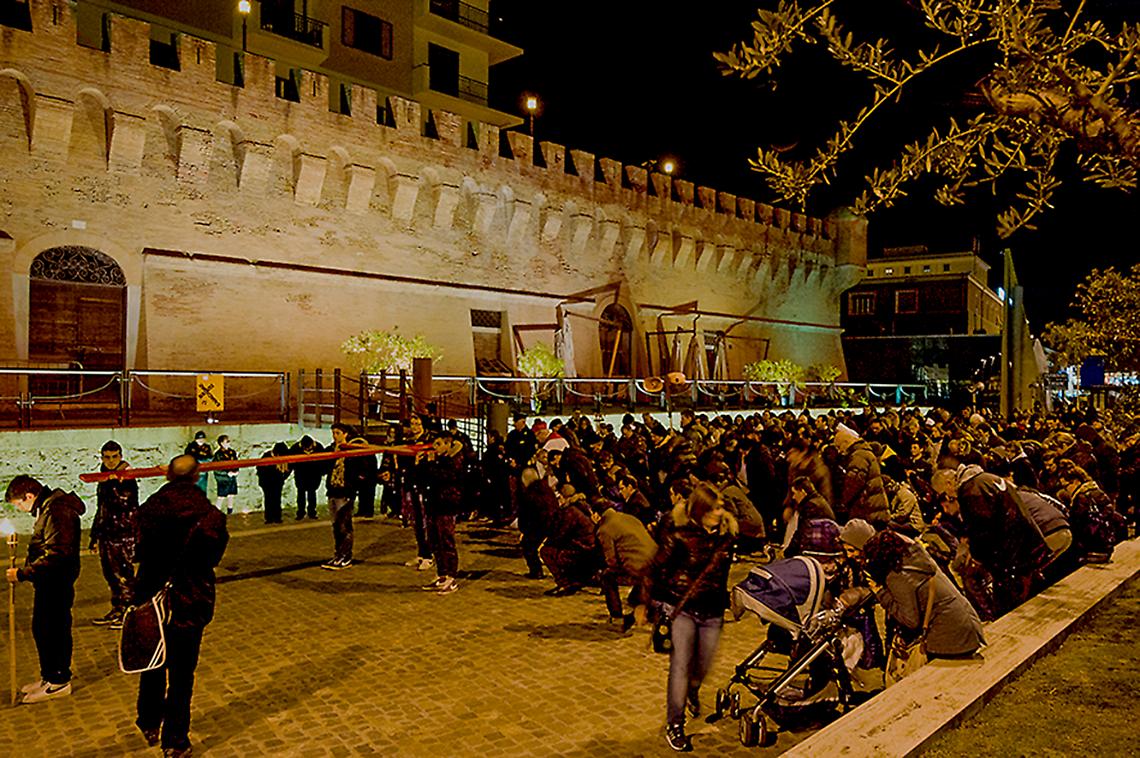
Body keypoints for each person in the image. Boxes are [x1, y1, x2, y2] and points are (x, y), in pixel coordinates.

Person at [134, 454, 229, 757]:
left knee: (153, 662)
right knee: (182, 674)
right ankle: (175, 740)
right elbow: (213, 557)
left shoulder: (149, 509)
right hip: (189, 598)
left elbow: (137, 549)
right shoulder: (210, 515)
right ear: (197, 476)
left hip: (152, 596)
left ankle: (149, 720)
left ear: (168, 476)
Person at [643, 483, 737, 752]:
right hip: (683, 610)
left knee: (702, 666)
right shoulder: (680, 536)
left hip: (713, 612)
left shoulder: (727, 536)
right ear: (700, 511)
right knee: (680, 668)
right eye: (713, 508)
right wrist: (645, 603)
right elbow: (655, 568)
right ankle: (675, 723)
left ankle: (692, 690)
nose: (719, 512)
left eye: (720, 507)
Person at [852, 529, 984, 679]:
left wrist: (880, 592)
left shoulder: (897, 576)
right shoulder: (917, 558)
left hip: (950, 637)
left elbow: (910, 620)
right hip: (967, 626)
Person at [5, 475, 85, 704]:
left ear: (29, 496)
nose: (21, 509)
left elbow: (59, 554)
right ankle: (48, 676)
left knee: (53, 630)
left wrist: (23, 573)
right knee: (43, 629)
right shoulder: (48, 508)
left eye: (19, 504)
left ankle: (58, 680)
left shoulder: (57, 511)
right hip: (49, 581)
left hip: (56, 581)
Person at [90, 440, 139, 628]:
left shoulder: (126, 477)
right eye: (107, 457)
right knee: (111, 575)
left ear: (120, 456)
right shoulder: (104, 477)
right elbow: (101, 508)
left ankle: (128, 612)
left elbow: (125, 503)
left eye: (114, 457)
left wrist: (113, 483)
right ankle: (118, 609)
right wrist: (94, 536)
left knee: (124, 576)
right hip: (107, 533)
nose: (111, 461)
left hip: (123, 534)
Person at [593, 496, 657, 631]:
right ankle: (638, 602)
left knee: (607, 576)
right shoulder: (630, 518)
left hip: (638, 567)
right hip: (655, 561)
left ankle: (616, 616)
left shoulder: (604, 529)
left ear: (596, 515)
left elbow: (611, 560)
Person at [420, 433, 464, 595]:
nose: (435, 448)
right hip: (433, 504)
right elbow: (425, 478)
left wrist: (432, 464)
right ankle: (442, 574)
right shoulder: (438, 461)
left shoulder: (455, 461)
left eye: (438, 444)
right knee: (435, 541)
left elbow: (445, 477)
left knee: (446, 541)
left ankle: (451, 577)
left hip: (446, 505)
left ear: (447, 444)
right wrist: (422, 465)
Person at [322, 423, 359, 570]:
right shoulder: (331, 449)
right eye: (333, 433)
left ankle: (346, 556)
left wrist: (353, 485)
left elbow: (357, 469)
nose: (335, 436)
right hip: (333, 490)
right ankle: (338, 554)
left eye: (338, 433)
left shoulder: (352, 450)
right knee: (336, 526)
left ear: (345, 434)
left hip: (345, 492)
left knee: (344, 525)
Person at [256, 442, 291, 524]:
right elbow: (260, 469)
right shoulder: (267, 456)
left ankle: (277, 517)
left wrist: (283, 477)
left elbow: (289, 469)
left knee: (277, 499)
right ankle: (269, 518)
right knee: (269, 499)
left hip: (277, 482)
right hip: (267, 482)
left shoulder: (283, 457)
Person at [290, 434, 323, 520]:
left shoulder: (318, 447)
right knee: (301, 494)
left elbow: (323, 461)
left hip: (314, 475)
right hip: (300, 475)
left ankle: (312, 512)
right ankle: (300, 512)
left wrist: (321, 472)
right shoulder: (295, 448)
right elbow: (291, 462)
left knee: (312, 494)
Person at [212, 434, 238, 515]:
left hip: (232, 478)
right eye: (227, 441)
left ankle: (230, 512)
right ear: (221, 443)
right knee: (221, 496)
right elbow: (216, 468)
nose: (229, 443)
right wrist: (226, 473)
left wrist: (236, 471)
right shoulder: (218, 454)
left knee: (231, 495)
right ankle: (215, 513)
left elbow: (236, 462)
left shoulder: (232, 452)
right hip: (223, 479)